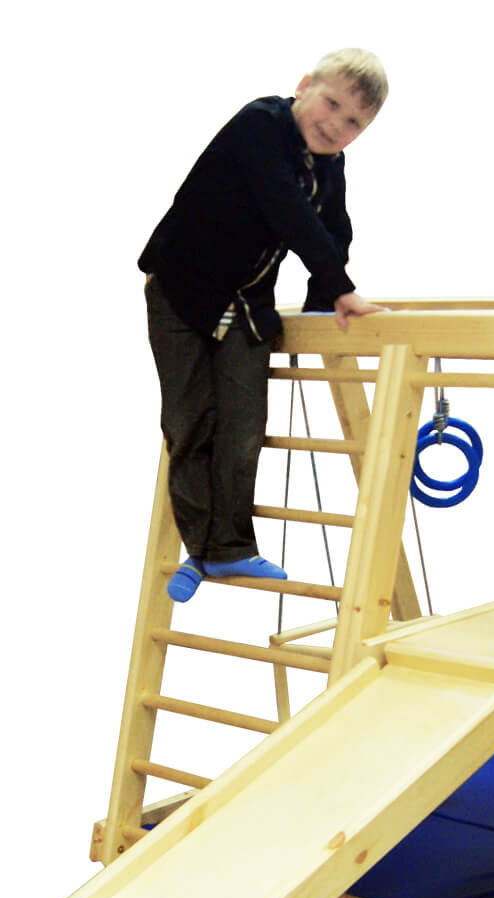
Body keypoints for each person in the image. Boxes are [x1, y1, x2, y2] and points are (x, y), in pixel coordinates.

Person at [139, 49, 389, 602]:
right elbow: (289, 212)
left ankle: (225, 548)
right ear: (303, 86)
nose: (337, 126)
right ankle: (204, 549)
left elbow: (334, 226)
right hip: (181, 288)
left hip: (246, 300)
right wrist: (340, 285)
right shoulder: (260, 124)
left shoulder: (329, 164)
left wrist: (323, 300)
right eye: (331, 104)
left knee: (244, 423)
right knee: (189, 419)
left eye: (354, 122)